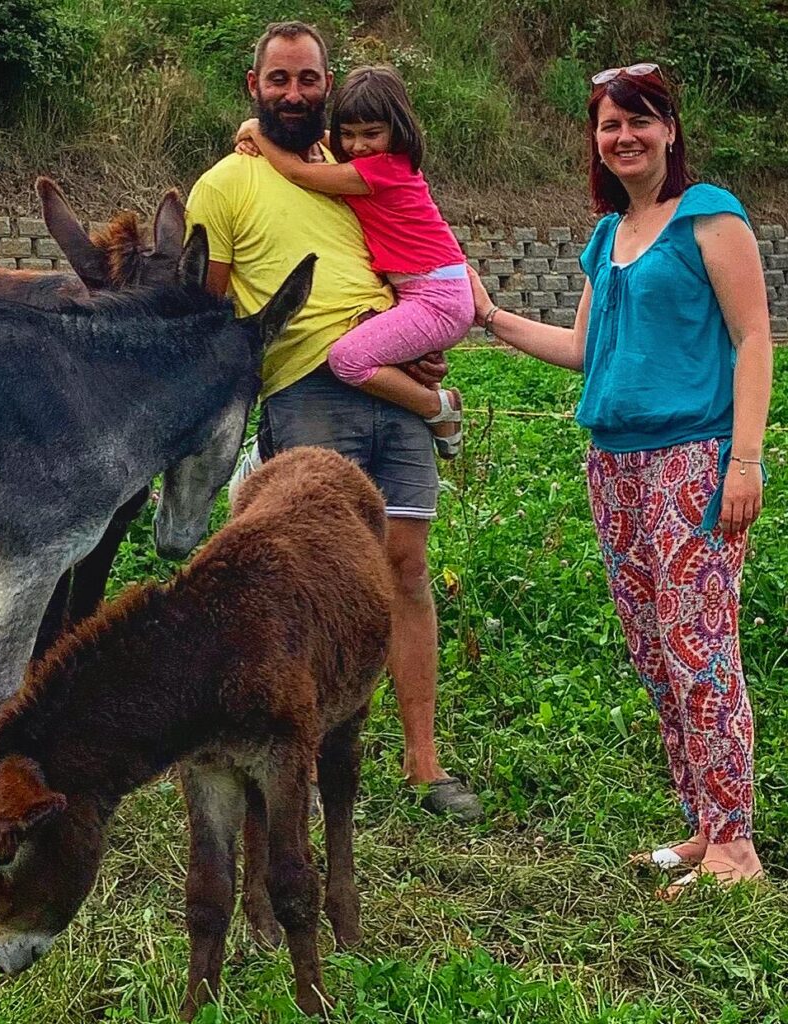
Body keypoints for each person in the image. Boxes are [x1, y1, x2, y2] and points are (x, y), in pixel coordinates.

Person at [466, 63, 771, 891]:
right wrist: (487, 316)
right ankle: (704, 829)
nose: (624, 136)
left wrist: (745, 461)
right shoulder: (607, 239)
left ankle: (737, 843)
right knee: (652, 649)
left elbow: (754, 340)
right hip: (614, 463)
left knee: (699, 644)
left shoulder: (709, 216)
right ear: (596, 142)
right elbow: (580, 352)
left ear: (669, 129)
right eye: (609, 125)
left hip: (692, 460)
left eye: (639, 120)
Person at [186, 20, 483, 820]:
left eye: (308, 79)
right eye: (278, 80)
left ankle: (425, 767)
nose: (294, 93)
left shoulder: (356, 170)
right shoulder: (225, 185)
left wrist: (424, 348)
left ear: (328, 85)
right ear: (254, 87)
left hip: (391, 384)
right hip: (309, 390)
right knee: (308, 587)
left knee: (406, 569)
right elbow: (206, 316)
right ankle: (300, 770)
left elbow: (413, 262)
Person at [235, 65, 472, 459]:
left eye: (371, 134)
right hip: (430, 290)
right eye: (349, 134)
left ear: (397, 130)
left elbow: (298, 171)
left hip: (436, 298)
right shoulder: (381, 163)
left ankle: (437, 407)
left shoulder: (379, 171)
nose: (358, 146)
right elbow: (324, 145)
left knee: (348, 359)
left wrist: (258, 131)